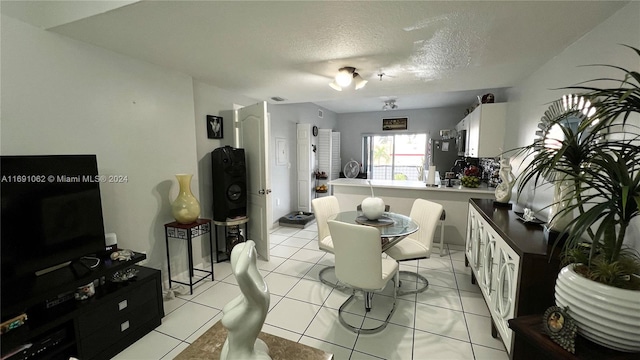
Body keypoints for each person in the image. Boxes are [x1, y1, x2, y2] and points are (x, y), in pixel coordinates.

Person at [220, 241, 271, 360]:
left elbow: (240, 272)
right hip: (230, 352)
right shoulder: (246, 295)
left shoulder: (258, 295)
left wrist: (250, 243)